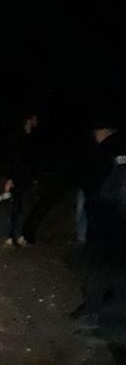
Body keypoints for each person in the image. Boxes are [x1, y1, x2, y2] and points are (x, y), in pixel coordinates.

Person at [73, 116, 126, 330]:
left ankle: (93, 312)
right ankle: (117, 314)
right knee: (120, 267)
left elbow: (89, 183)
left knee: (95, 265)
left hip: (104, 217)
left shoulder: (103, 151)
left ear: (102, 131)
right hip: (121, 219)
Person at [2, 111, 44, 247]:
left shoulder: (33, 137)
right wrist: (9, 178)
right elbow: (10, 158)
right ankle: (10, 236)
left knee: (24, 207)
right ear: (29, 120)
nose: (37, 121)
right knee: (14, 207)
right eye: (35, 118)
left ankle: (20, 235)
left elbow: (34, 160)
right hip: (16, 177)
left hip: (27, 178)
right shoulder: (17, 137)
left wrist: (35, 178)